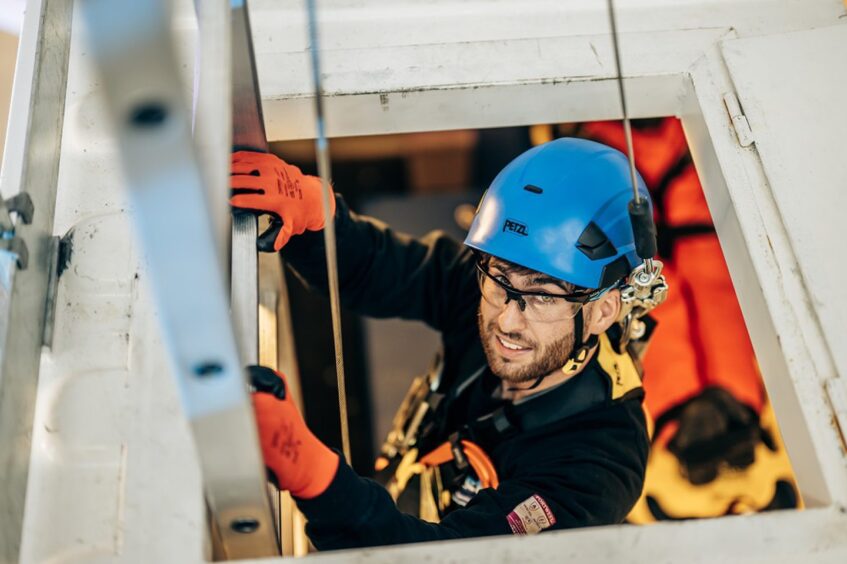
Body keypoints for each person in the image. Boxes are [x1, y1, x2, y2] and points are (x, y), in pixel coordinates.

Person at [230, 138, 657, 550]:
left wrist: (314, 476)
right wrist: (319, 220)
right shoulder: (491, 288)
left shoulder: (598, 464)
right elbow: (381, 268)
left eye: (543, 295)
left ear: (603, 312)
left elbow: (446, 556)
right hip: (399, 493)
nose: (506, 320)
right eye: (499, 279)